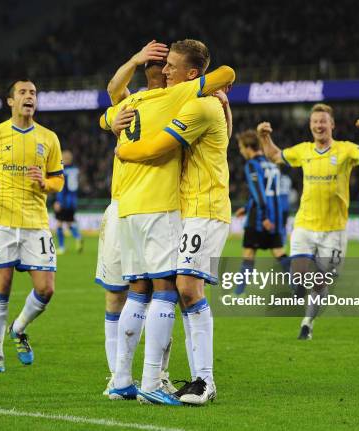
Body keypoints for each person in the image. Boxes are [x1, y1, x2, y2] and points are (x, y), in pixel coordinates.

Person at [108, 39, 235, 405]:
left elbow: (155, 148)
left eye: (172, 67)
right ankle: (186, 379)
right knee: (181, 290)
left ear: (193, 75)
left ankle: (204, 381)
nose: (164, 72)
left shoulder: (199, 107)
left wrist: (122, 147)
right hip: (186, 209)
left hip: (205, 208)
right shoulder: (198, 102)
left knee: (186, 288)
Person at [257, 103, 359, 340]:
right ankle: (298, 287)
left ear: (332, 125)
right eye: (315, 122)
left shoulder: (346, 150)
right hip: (305, 225)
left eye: (323, 121)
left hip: (334, 231)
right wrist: (263, 137)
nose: (319, 125)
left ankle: (308, 322)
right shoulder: (303, 150)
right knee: (298, 276)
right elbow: (275, 155)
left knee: (319, 284)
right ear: (310, 125)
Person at [0, 79, 64, 373]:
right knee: (2, 284)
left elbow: (58, 179)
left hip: (36, 222)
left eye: (33, 92)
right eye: (22, 92)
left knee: (46, 289)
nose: (29, 96)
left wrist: (46, 183)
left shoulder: (49, 138)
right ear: (10, 101)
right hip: (1, 220)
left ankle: (18, 328)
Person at [96, 40, 170, 397]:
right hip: (141, 208)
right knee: (160, 293)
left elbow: (111, 92)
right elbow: (113, 93)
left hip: (126, 205)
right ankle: (134, 376)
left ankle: (122, 377)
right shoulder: (136, 102)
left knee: (125, 294)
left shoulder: (161, 102)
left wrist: (136, 58)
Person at [234, 130, 290, 296]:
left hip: (259, 217)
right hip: (276, 216)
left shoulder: (252, 165)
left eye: (241, 147)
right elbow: (268, 190)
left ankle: (238, 293)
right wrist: (246, 206)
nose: (240, 151)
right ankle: (299, 288)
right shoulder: (271, 163)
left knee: (249, 254)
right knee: (279, 252)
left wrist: (263, 216)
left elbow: (259, 192)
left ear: (248, 147)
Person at [54, 150, 82, 254]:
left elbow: (62, 188)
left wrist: (58, 202)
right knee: (70, 224)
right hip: (73, 202)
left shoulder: (63, 171)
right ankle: (78, 237)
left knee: (59, 225)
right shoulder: (75, 170)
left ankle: (61, 247)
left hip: (64, 202)